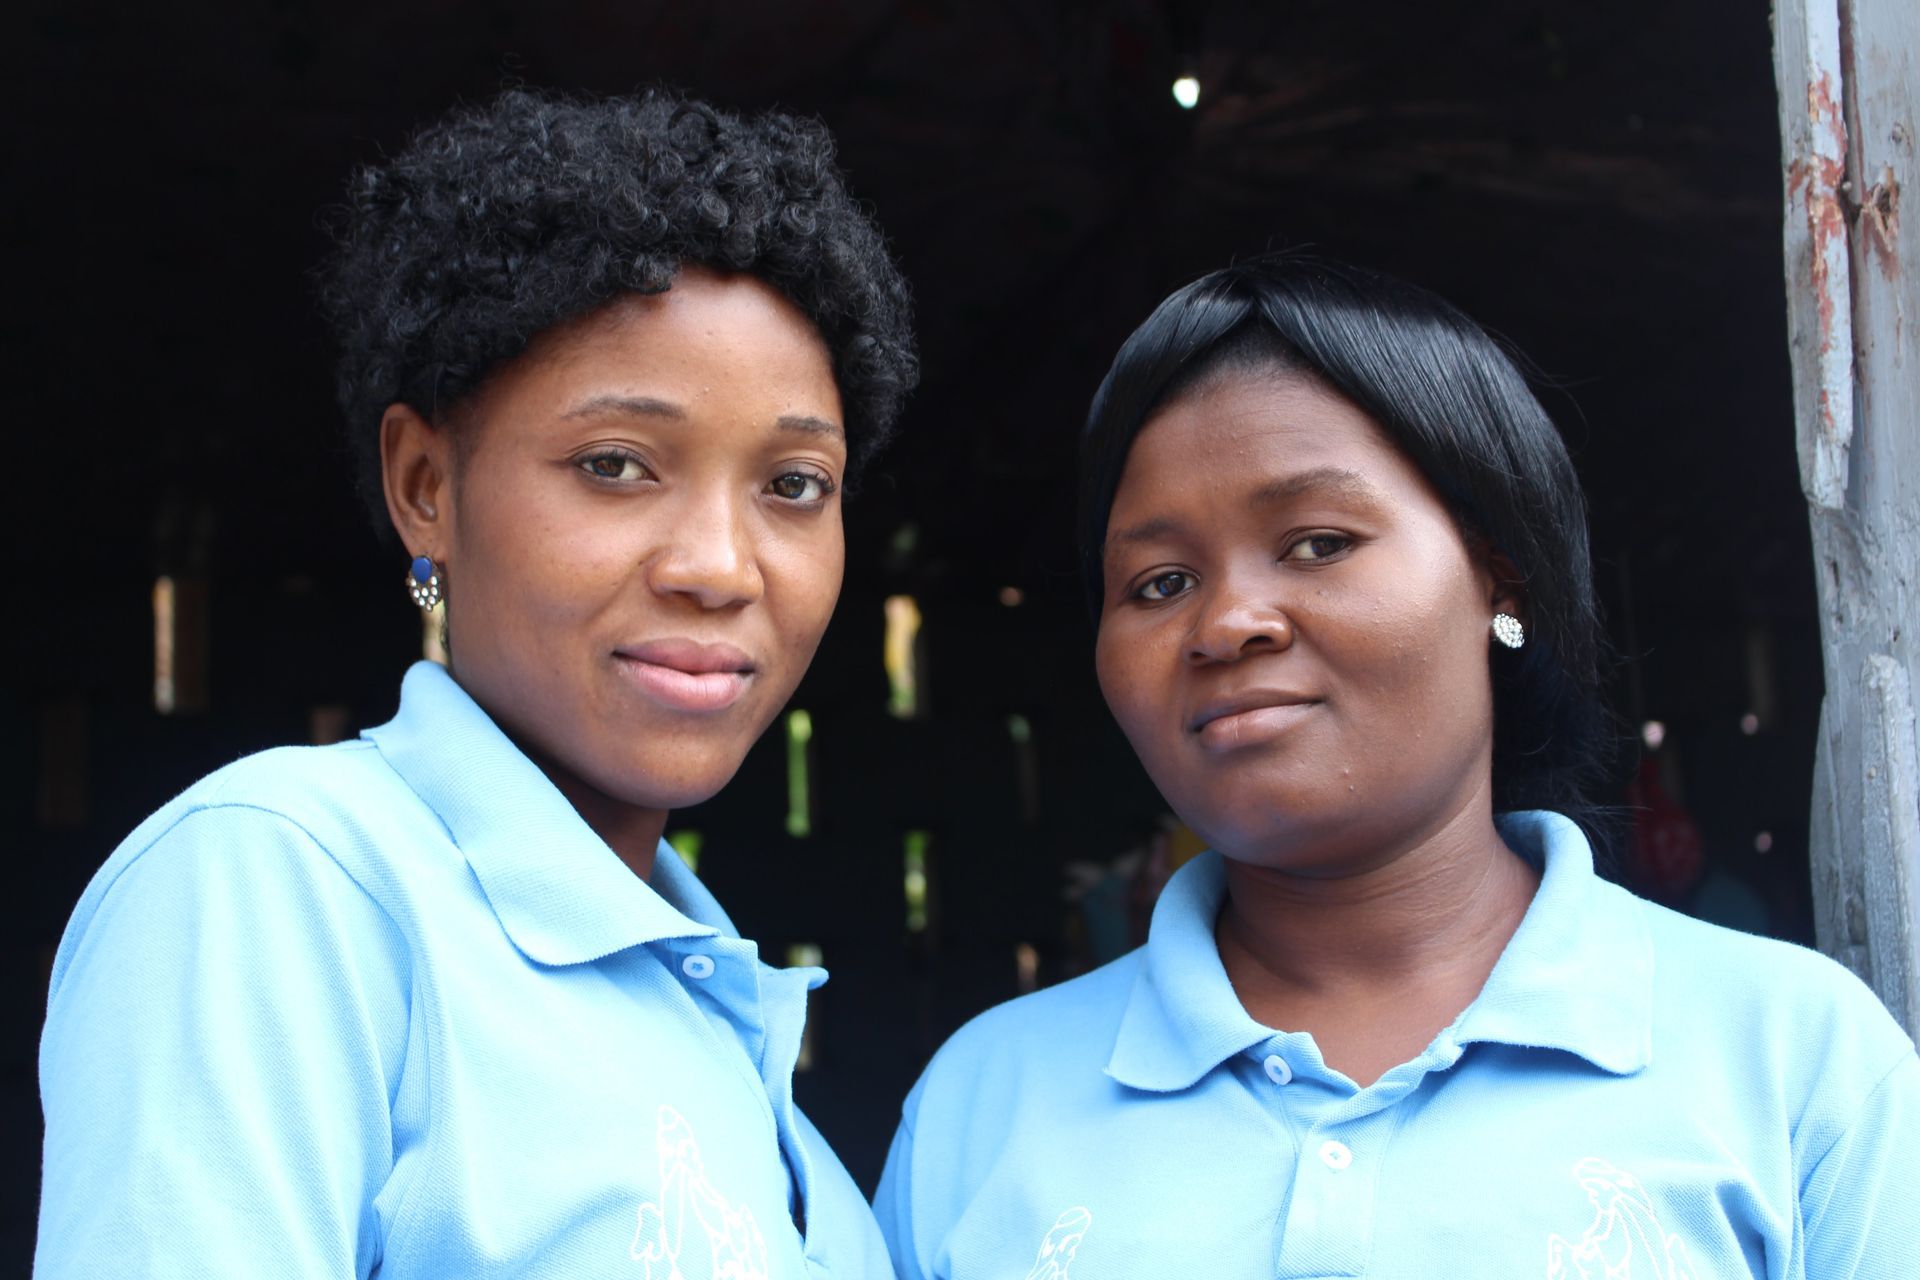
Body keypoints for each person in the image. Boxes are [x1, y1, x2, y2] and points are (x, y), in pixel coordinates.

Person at [874, 254, 1918, 1278]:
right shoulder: (983, 1106)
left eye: (1319, 543)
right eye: (1159, 582)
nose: (1226, 622)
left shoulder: (1794, 1063)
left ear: (1500, 579)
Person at [37, 88, 916, 1278]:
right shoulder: (286, 886)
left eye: (795, 484)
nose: (719, 565)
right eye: (617, 464)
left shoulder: (740, 1057)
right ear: (425, 486)